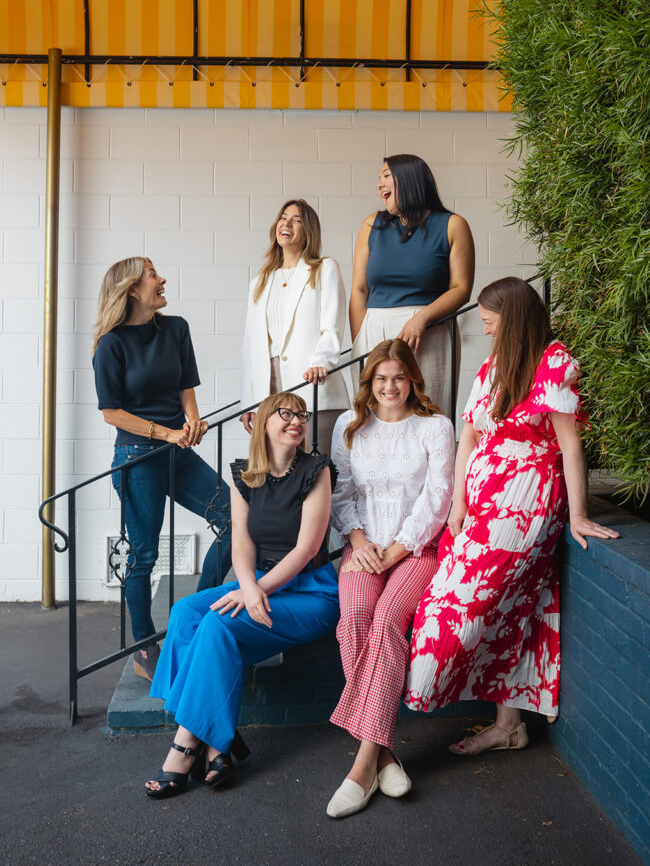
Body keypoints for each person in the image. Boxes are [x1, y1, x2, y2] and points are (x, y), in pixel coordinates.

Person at [404, 277, 620, 751]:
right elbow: (468, 440)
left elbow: (569, 444)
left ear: (515, 318)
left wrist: (578, 514)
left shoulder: (555, 362)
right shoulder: (492, 367)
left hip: (525, 508)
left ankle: (437, 694)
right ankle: (509, 726)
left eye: (489, 320)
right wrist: (459, 504)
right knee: (515, 608)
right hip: (480, 507)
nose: (484, 329)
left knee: (458, 609)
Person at [145, 391, 339, 799]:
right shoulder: (244, 474)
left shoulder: (316, 471)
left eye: (301, 415)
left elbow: (306, 550)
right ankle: (219, 741)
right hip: (258, 583)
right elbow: (241, 544)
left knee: (217, 624)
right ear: (263, 422)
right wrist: (248, 587)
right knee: (184, 613)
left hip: (309, 591)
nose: (296, 420)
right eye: (285, 413)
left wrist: (256, 591)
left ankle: (186, 747)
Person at [326, 339, 455, 818]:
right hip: (363, 548)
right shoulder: (349, 425)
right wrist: (360, 545)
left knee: (386, 621)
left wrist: (396, 550)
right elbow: (341, 491)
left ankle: (361, 765)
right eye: (380, 378)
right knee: (356, 615)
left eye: (398, 377)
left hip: (417, 550)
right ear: (369, 382)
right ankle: (384, 752)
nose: (389, 387)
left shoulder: (435, 427)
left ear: (413, 379)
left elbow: (438, 497)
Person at [92, 257, 232, 682]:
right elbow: (112, 413)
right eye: (153, 274)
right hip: (136, 457)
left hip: (176, 451)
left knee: (234, 519)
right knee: (144, 555)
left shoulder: (175, 329)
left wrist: (191, 421)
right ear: (133, 289)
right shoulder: (110, 344)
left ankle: (198, 615)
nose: (162, 278)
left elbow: (184, 385)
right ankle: (145, 646)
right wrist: (165, 433)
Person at [349, 154, 474, 414]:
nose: (379, 184)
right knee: (375, 416)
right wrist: (361, 340)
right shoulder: (371, 225)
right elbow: (359, 290)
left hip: (429, 333)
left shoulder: (453, 225)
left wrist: (423, 317)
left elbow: (461, 289)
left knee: (429, 411)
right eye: (379, 178)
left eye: (385, 176)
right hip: (375, 331)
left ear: (409, 179)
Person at [240, 198, 350, 455]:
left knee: (316, 469)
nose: (286, 223)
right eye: (283, 217)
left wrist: (322, 362)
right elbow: (250, 346)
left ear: (308, 230)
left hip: (314, 386)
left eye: (296, 220)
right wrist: (249, 403)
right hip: (270, 390)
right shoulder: (259, 282)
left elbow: (333, 325)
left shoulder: (324, 269)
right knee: (278, 471)